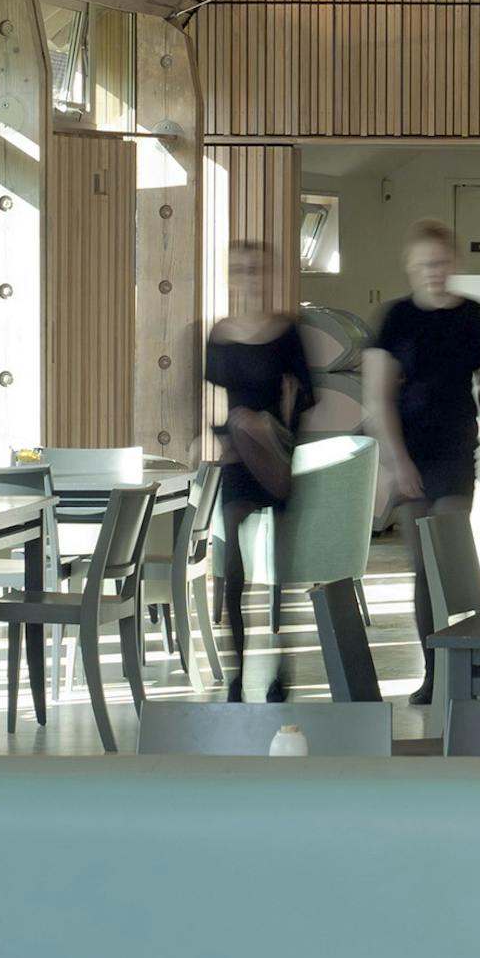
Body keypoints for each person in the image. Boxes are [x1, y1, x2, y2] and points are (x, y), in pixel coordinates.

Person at [198, 232, 315, 695]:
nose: (248, 276)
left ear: (268, 275)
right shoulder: (221, 333)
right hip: (236, 454)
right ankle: (238, 673)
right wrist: (220, 436)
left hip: (278, 453)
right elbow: (210, 403)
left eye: (256, 269)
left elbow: (307, 395)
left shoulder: (287, 331)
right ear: (231, 276)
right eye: (240, 269)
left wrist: (276, 425)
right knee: (233, 571)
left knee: (282, 571)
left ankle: (284, 669)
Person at [365, 222, 480, 545]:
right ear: (410, 267)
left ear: (454, 262)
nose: (433, 272)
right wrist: (398, 461)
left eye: (440, 262)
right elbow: (379, 399)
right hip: (411, 446)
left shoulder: (475, 316)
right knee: (423, 564)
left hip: (456, 447)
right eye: (423, 264)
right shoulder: (396, 318)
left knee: (448, 550)